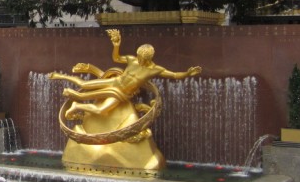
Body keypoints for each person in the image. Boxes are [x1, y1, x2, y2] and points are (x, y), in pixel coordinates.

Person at [50, 29, 201, 121]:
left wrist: (187, 73)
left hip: (121, 93)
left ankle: (77, 106)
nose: (139, 59)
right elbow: (116, 58)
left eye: (142, 58)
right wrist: (116, 46)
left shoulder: (155, 69)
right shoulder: (132, 60)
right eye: (139, 56)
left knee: (101, 110)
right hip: (115, 82)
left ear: (148, 58)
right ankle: (60, 76)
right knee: (83, 85)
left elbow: (174, 75)